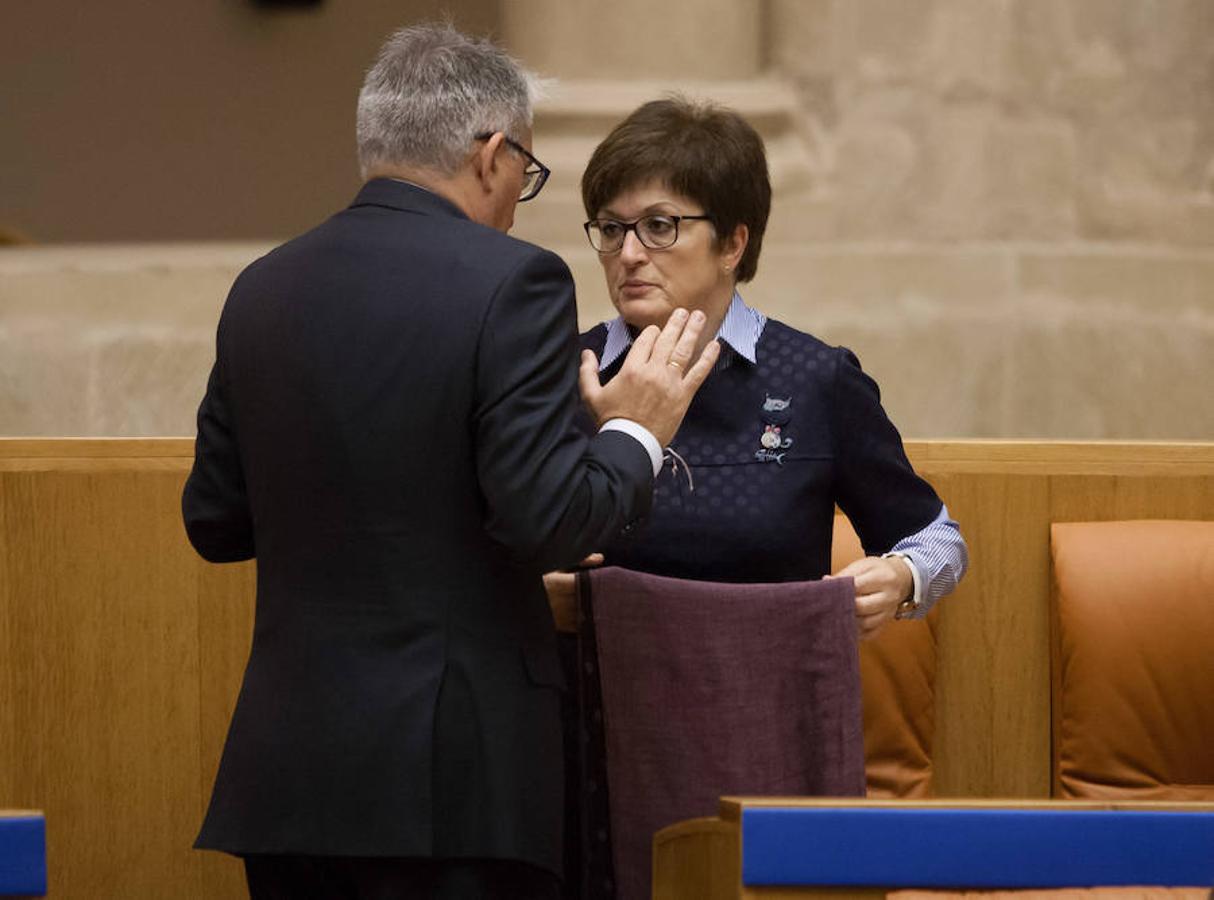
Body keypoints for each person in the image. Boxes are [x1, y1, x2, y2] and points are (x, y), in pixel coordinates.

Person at [181, 27, 718, 900]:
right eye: (526, 176)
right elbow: (546, 522)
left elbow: (216, 520)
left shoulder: (263, 288)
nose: (516, 202)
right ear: (493, 154)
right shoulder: (514, 282)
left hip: (288, 776)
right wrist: (637, 434)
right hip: (451, 781)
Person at [551, 97, 970, 896]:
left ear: (735, 242)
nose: (628, 253)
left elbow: (938, 537)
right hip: (590, 758)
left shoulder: (814, 379)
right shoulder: (554, 379)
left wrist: (905, 580)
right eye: (610, 228)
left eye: (660, 226)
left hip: (768, 753)